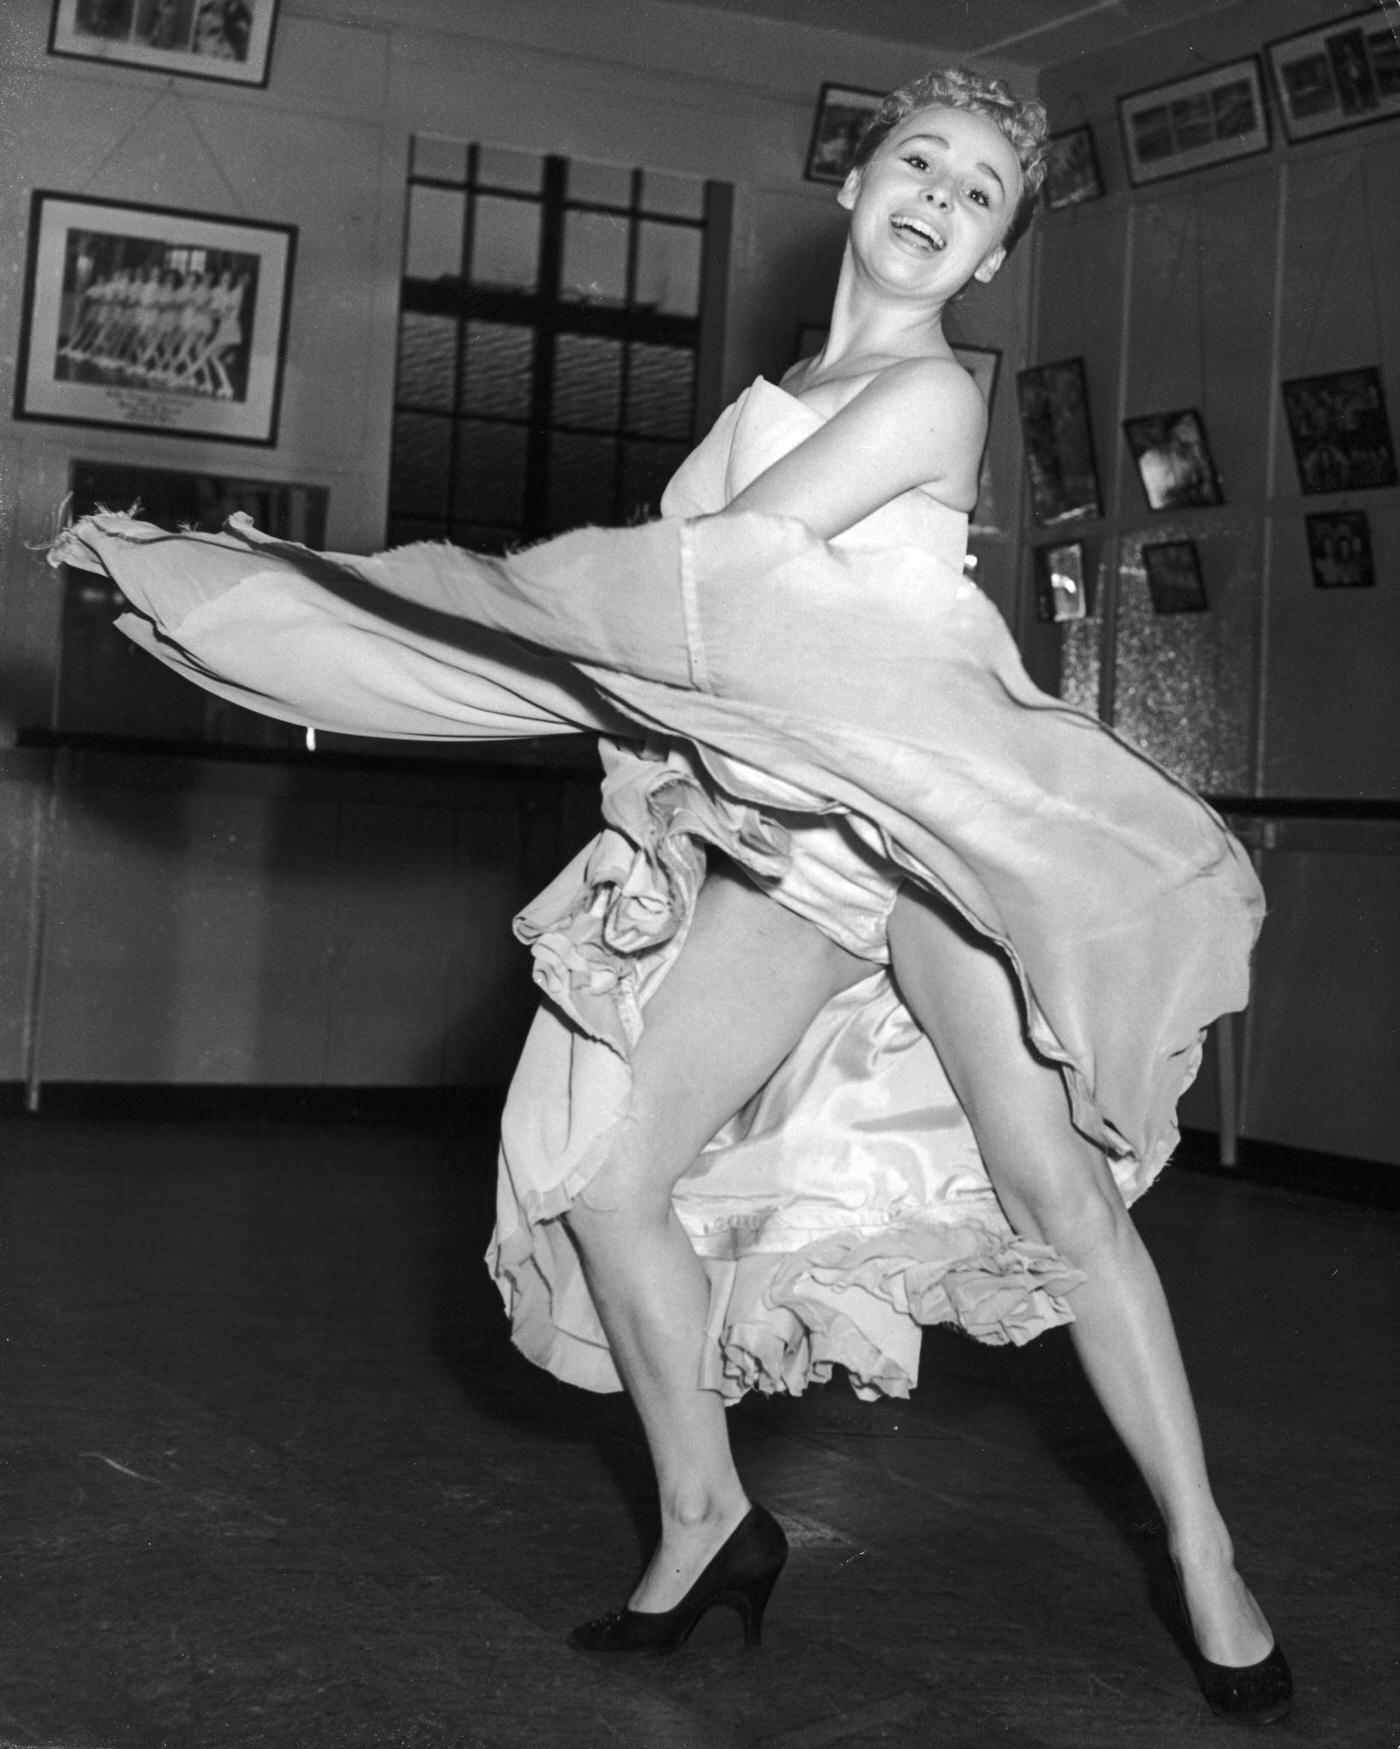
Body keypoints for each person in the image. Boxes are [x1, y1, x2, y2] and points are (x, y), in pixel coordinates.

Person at [50, 68, 1289, 1727]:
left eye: (981, 190)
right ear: (856, 183)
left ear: (991, 253)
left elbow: (697, 594)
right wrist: (296, 619)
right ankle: (708, 1518)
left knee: (1057, 1198)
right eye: (920, 158)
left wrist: (396, 616)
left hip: (928, 844)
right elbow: (670, 634)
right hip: (791, 847)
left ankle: (1207, 1554)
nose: (940, 194)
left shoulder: (936, 398)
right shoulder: (788, 380)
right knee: (603, 1175)